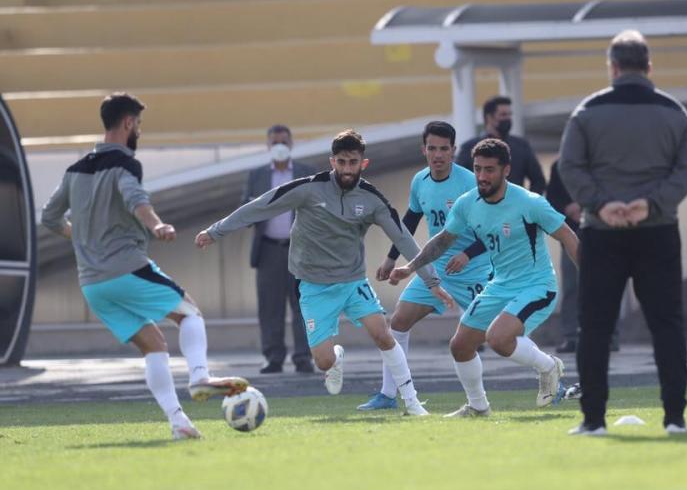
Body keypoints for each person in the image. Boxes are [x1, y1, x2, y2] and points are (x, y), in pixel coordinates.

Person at [196, 129, 453, 416]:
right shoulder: (309, 188)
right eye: (341, 162)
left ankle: (412, 402)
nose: (347, 169)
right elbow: (261, 206)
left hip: (352, 281)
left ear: (363, 163)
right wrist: (215, 231)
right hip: (313, 285)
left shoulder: (372, 199)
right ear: (332, 162)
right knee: (323, 361)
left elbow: (403, 237)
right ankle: (335, 359)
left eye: (352, 162)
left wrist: (431, 280)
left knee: (383, 333)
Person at [41, 93, 248, 441]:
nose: (138, 130)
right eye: (138, 124)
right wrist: (157, 225)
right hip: (126, 269)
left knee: (154, 344)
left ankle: (178, 421)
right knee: (190, 314)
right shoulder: (125, 163)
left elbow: (49, 217)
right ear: (127, 123)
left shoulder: (74, 171)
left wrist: (83, 238)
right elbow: (135, 199)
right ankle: (199, 376)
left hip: (92, 285)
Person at [559, 30, 687, 436]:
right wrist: (651, 204)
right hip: (658, 230)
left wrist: (600, 203)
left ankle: (593, 420)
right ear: (649, 67)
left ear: (613, 67)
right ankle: (674, 418)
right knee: (667, 324)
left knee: (595, 327)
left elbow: (570, 167)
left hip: (601, 231)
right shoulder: (676, 113)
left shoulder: (586, 112)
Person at [390, 138, 579, 416]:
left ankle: (548, 366)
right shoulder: (468, 203)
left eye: (489, 170)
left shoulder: (529, 203)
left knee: (498, 339)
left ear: (506, 170)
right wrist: (410, 267)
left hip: (536, 286)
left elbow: (568, 236)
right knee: (460, 346)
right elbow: (443, 240)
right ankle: (478, 406)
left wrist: (592, 279)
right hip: (499, 284)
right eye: (477, 169)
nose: (482, 176)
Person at [359, 121, 493, 411]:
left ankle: (548, 371)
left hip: (475, 268)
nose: (438, 154)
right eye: (432, 148)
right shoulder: (420, 180)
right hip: (436, 267)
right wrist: (392, 257)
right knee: (398, 321)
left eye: (444, 149)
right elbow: (409, 222)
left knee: (500, 334)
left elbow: (490, 228)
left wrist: (468, 254)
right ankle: (388, 394)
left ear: (453, 150)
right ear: (424, 150)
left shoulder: (469, 182)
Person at [244, 125, 315, 374]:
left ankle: (303, 357)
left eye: (283, 141)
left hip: (301, 250)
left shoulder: (306, 173)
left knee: (303, 304)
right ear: (268, 145)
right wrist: (253, 206)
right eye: (274, 142)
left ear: (291, 143)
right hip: (268, 250)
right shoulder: (257, 176)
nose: (279, 146)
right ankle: (273, 357)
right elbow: (245, 210)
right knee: (270, 307)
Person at [456, 95, 546, 193]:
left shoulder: (521, 146)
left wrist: (526, 201)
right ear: (489, 117)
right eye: (503, 115)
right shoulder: (469, 148)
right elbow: (458, 180)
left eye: (509, 115)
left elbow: (539, 181)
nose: (508, 118)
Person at [545, 159, 581, 354]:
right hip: (570, 231)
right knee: (571, 285)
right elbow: (551, 200)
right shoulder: (559, 166)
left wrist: (585, 205)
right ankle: (571, 336)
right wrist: (567, 208)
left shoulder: (601, 161)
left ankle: (610, 336)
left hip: (601, 231)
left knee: (605, 285)